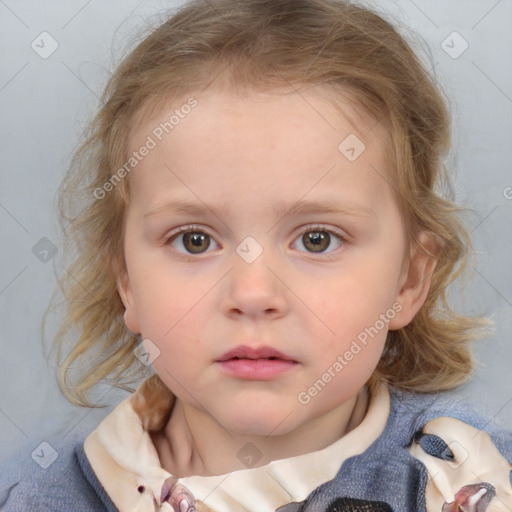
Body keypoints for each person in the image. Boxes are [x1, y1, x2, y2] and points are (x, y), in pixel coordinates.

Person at [1, 0, 511, 511]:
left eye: (317, 240)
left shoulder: (475, 481)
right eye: (194, 240)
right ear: (127, 281)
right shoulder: (37, 497)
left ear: (408, 281)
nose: (252, 294)